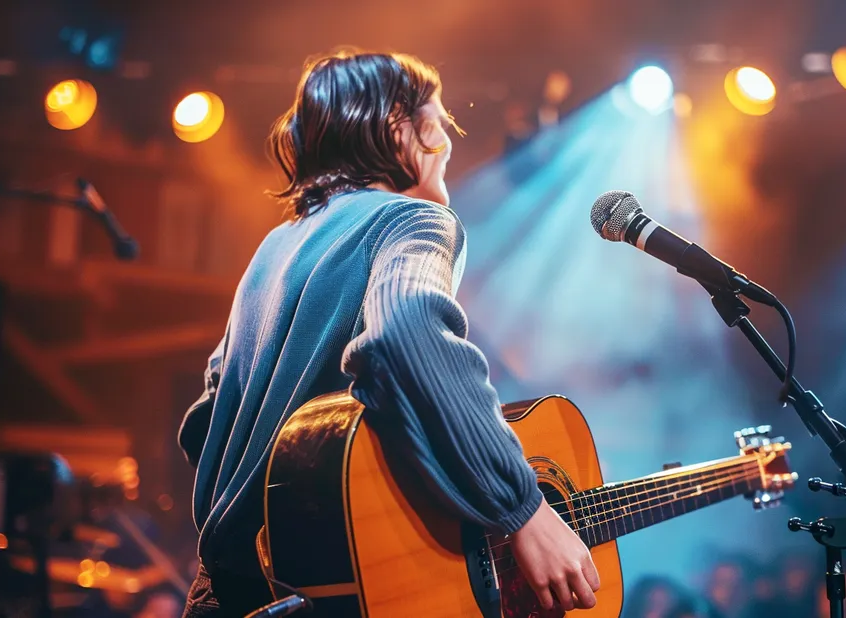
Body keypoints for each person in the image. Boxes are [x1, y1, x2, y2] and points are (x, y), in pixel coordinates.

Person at [178, 49, 599, 617]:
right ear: (399, 128)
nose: (447, 143)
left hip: (221, 594)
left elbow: (206, 422)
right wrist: (524, 509)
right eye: (438, 122)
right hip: (315, 600)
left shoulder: (275, 248)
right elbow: (405, 335)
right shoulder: (411, 220)